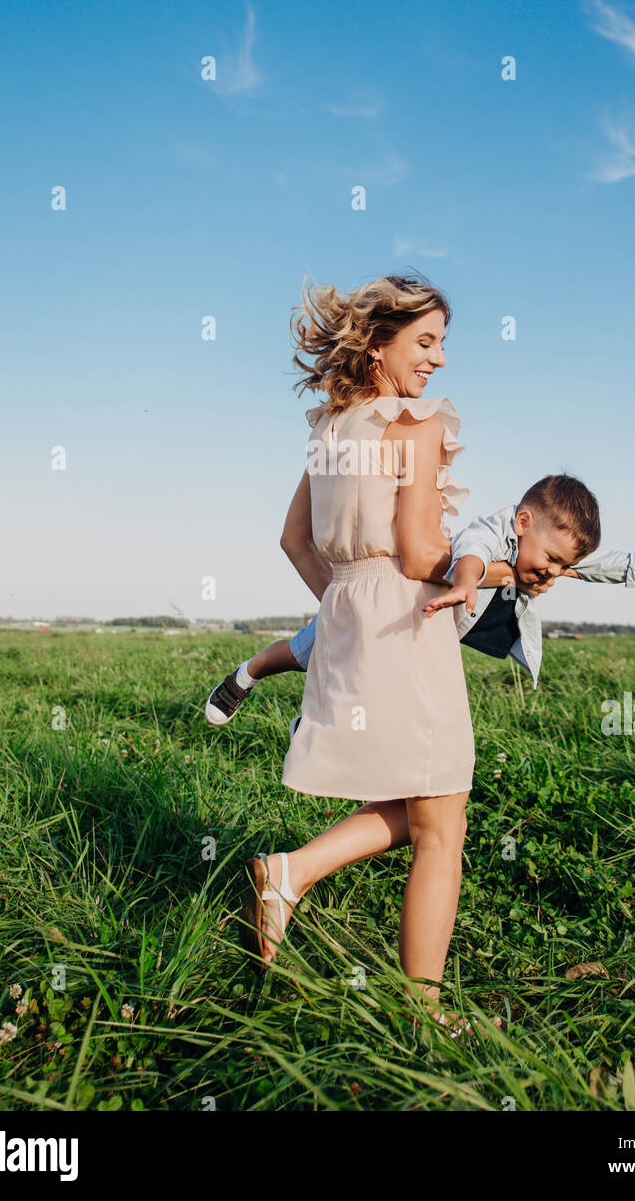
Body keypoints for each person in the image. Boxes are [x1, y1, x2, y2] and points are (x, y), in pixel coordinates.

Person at [238, 272, 476, 1031]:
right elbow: (416, 553)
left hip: (350, 611)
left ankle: (291, 873)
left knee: (424, 801)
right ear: (378, 345)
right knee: (443, 825)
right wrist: (488, 568)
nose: (437, 360)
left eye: (442, 344)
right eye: (425, 341)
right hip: (407, 621)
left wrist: (343, 609)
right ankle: (424, 1015)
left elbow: (293, 541)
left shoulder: (334, 430)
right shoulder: (416, 422)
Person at [207, 474, 635, 715]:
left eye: (563, 565)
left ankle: (318, 724)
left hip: (417, 628)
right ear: (522, 523)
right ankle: (246, 674)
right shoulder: (497, 532)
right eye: (553, 559)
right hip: (386, 602)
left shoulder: (542, 558)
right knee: (305, 652)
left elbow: (608, 564)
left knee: (374, 681)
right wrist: (469, 581)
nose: (555, 572)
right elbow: (470, 549)